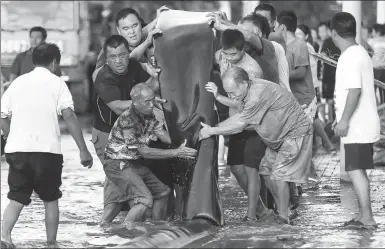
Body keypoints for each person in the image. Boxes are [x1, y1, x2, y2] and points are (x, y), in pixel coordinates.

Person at [0, 43, 93, 247]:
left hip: (17, 150)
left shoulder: (17, 83)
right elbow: (69, 115)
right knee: (50, 199)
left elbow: (3, 115)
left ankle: (4, 235)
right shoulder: (57, 83)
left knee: (17, 197)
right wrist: (83, 150)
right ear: (54, 63)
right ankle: (51, 243)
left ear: (34, 62)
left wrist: (11, 136)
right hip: (47, 152)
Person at [199, 67, 313, 224]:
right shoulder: (248, 91)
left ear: (244, 84)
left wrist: (212, 130)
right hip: (279, 138)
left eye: (233, 92)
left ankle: (284, 218)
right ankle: (283, 212)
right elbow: (240, 116)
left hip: (294, 133)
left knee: (279, 174)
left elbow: (239, 125)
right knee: (265, 171)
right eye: (228, 93)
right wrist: (215, 126)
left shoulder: (256, 95)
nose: (232, 96)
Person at [103, 83, 197, 223]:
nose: (152, 104)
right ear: (135, 102)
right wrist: (176, 152)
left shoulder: (149, 115)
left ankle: (154, 225)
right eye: (147, 101)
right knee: (144, 200)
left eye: (153, 100)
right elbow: (144, 152)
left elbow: (163, 135)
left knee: (163, 192)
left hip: (132, 162)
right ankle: (127, 231)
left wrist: (188, 138)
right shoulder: (128, 119)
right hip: (117, 164)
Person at [91, 35, 159, 224]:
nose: (119, 61)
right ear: (106, 58)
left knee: (118, 182)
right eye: (113, 57)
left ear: (129, 54)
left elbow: (152, 86)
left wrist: (156, 76)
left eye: (122, 55)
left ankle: (106, 227)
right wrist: (146, 100)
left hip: (128, 133)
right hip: (106, 136)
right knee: (119, 178)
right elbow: (119, 106)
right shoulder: (103, 78)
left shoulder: (135, 67)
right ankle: (118, 228)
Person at [211, 29, 268, 221]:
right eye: (226, 54)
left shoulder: (252, 71)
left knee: (251, 169)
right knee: (236, 168)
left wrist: (218, 97)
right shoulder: (221, 55)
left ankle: (252, 214)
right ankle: (260, 208)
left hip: (251, 122)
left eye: (234, 54)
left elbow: (241, 103)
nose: (229, 58)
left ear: (243, 49)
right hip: (235, 120)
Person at [330, 12, 380, 229]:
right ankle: (363, 215)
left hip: (357, 125)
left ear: (333, 34)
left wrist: (344, 121)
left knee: (354, 169)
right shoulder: (359, 52)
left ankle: (367, 217)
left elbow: (354, 92)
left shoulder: (349, 56)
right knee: (356, 169)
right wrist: (341, 118)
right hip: (360, 122)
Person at [92, 7, 168, 80]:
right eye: (126, 28)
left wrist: (158, 19)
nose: (132, 32)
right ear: (119, 30)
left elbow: (144, 31)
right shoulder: (112, 48)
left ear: (140, 25)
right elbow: (96, 77)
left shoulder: (150, 38)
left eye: (135, 26)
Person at [208, 12, 280, 84]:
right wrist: (225, 22)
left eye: (242, 32)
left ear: (258, 33)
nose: (239, 37)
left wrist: (220, 26)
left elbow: (249, 36)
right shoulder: (240, 51)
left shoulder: (269, 47)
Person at [296, 24, 336, 152]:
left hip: (309, 87)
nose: (297, 36)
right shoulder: (299, 47)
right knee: (312, 116)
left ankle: (323, 143)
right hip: (306, 87)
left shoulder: (306, 48)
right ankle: (321, 143)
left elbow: (311, 71)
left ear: (306, 36)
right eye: (295, 33)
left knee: (312, 116)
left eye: (299, 34)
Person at [318, 21, 341, 124]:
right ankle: (335, 120)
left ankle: (332, 122)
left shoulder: (327, 41)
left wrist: (319, 75)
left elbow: (321, 57)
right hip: (339, 74)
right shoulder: (340, 41)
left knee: (330, 100)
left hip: (329, 75)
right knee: (336, 99)